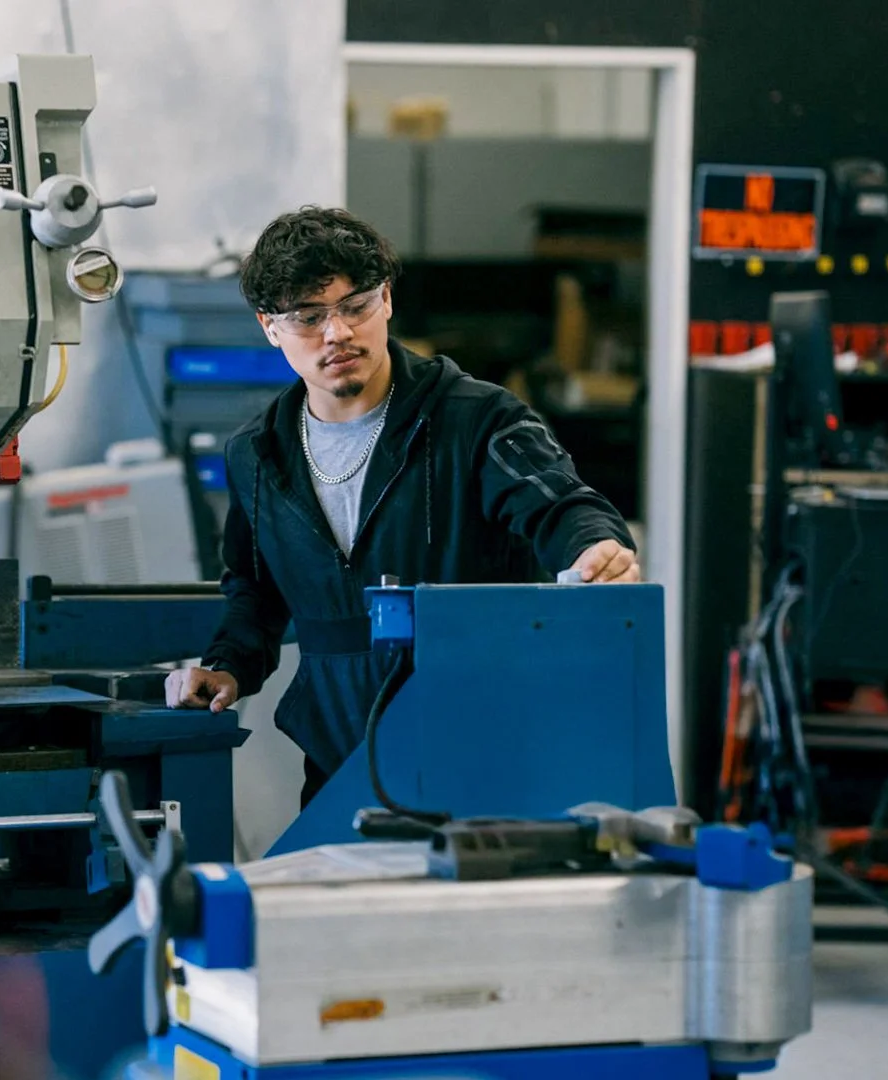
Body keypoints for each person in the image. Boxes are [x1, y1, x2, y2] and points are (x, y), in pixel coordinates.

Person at [164, 206, 640, 807]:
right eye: (309, 317)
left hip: (482, 754)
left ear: (385, 300)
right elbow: (255, 594)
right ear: (270, 327)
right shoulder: (258, 456)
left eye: (355, 306)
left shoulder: (476, 419)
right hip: (340, 763)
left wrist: (595, 546)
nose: (337, 333)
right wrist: (226, 666)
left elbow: (559, 504)